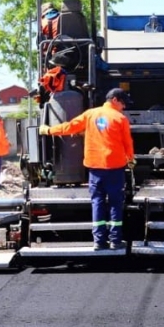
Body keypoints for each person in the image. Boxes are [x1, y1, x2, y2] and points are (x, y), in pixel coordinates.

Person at [39, 88, 135, 250]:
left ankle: (98, 241)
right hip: (115, 168)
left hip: (95, 168)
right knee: (115, 203)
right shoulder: (120, 119)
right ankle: (115, 240)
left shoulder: (90, 114)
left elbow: (69, 127)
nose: (124, 107)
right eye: (123, 103)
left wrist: (48, 130)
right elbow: (128, 143)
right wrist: (131, 160)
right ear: (115, 100)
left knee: (97, 202)